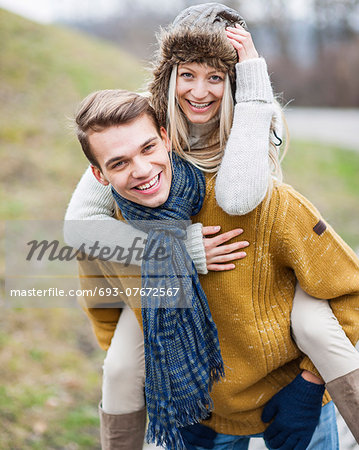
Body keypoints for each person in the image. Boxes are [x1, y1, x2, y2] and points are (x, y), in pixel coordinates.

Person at [65, 3, 359, 448]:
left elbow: (238, 198)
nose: (199, 91)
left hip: (263, 260)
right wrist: (177, 249)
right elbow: (81, 230)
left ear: (235, 82)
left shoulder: (254, 122)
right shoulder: (143, 138)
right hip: (178, 298)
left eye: (216, 77)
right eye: (187, 75)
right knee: (123, 367)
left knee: (315, 325)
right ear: (168, 78)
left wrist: (254, 78)